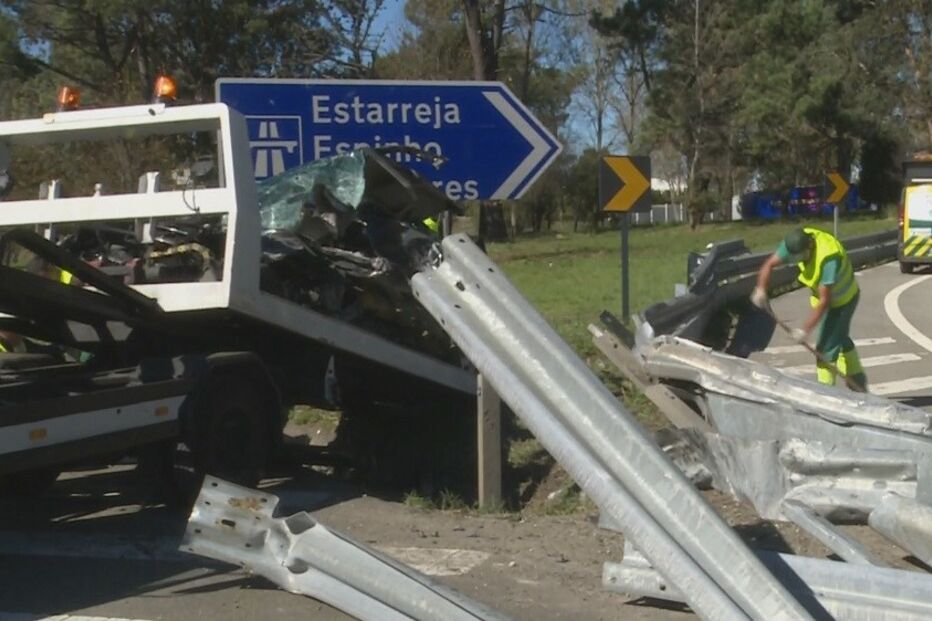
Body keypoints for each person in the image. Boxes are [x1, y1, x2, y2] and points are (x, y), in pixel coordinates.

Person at [751, 226, 868, 391]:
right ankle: (858, 382)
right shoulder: (795, 242)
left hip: (843, 301)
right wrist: (761, 289)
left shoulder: (829, 258)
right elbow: (769, 264)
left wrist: (804, 330)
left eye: (797, 256)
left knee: (826, 349)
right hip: (826, 299)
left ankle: (826, 394)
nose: (793, 260)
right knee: (839, 338)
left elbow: (825, 301)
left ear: (809, 247)